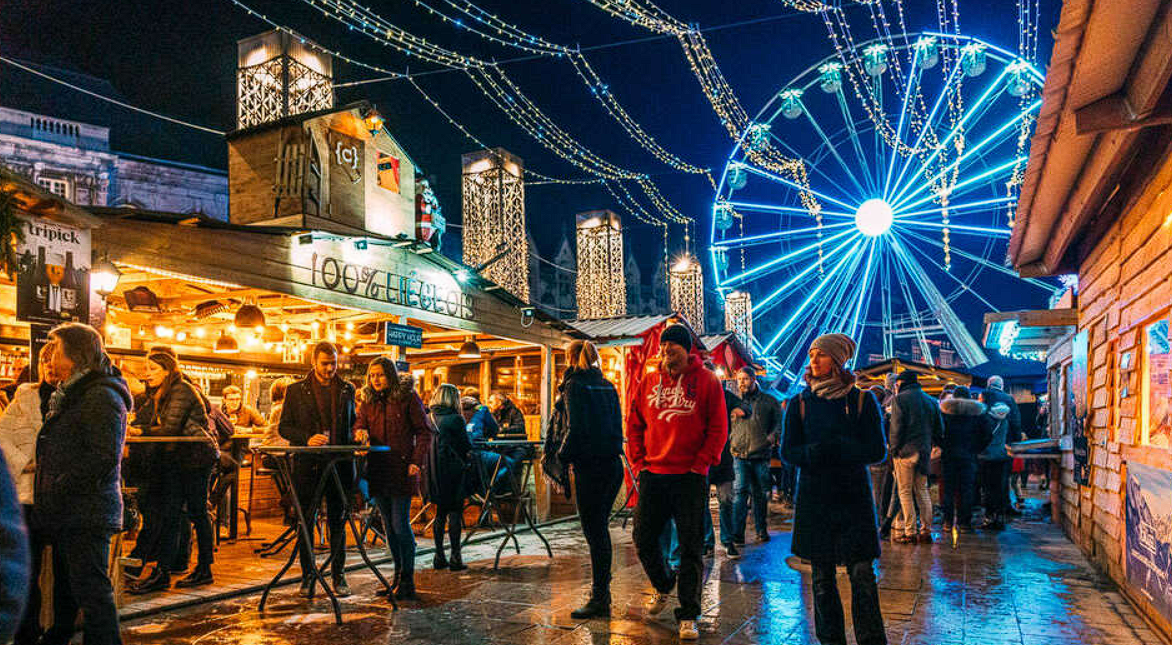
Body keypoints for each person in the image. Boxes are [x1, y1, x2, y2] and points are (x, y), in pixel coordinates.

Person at [781, 333, 887, 645]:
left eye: (821, 355)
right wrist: (813, 453)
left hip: (853, 500)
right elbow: (788, 451)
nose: (813, 360)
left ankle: (871, 639)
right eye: (812, 355)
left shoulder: (862, 401)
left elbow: (877, 450)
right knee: (822, 580)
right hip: (816, 500)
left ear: (838, 361)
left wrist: (843, 448)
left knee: (862, 576)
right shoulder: (800, 403)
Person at [627, 324, 727, 641]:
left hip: (689, 477)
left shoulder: (708, 381)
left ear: (688, 350)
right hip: (654, 474)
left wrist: (701, 464)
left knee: (690, 547)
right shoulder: (648, 381)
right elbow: (634, 424)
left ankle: (688, 614)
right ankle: (663, 583)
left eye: (674, 345)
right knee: (643, 537)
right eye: (664, 345)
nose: (667, 350)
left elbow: (718, 427)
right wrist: (639, 461)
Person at [35, 323, 131, 645]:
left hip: (87, 508)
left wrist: (62, 482)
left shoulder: (101, 395)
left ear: (76, 356)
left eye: (56, 350)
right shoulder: (71, 393)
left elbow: (104, 456)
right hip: (70, 507)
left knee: (92, 590)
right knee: (68, 586)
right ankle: (57, 637)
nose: (49, 357)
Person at [543, 340, 625, 618]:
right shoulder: (608, 385)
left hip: (590, 467)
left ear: (569, 358)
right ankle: (602, 592)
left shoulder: (574, 386)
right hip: (613, 465)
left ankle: (600, 596)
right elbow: (616, 426)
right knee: (599, 529)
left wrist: (561, 457)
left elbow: (575, 428)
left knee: (595, 532)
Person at [128, 346, 219, 593]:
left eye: (153, 369)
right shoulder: (162, 392)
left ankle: (204, 569)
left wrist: (140, 431)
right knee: (170, 513)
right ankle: (163, 573)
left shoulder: (182, 390)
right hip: (179, 458)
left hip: (197, 457)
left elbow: (170, 428)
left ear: (167, 371)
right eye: (146, 369)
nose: (147, 374)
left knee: (197, 513)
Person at [279, 342, 358, 597]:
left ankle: (339, 576)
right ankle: (307, 576)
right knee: (306, 521)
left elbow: (353, 423)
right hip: (308, 465)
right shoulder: (295, 391)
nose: (330, 369)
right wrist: (306, 438)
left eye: (333, 363)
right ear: (313, 362)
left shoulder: (347, 389)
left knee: (338, 520)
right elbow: (284, 427)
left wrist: (358, 435)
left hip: (339, 463)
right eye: (325, 363)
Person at [354, 356, 432, 600]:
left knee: (400, 525)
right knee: (388, 527)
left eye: (381, 374)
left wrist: (415, 462)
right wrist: (359, 434)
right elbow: (358, 425)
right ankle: (397, 577)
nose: (376, 379)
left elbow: (424, 431)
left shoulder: (407, 397)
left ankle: (408, 580)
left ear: (390, 375)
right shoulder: (367, 402)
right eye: (373, 375)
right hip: (377, 469)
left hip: (401, 468)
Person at [0, 344, 55, 645]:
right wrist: (26, 463)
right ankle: (27, 632)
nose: (48, 365)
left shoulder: (77, 399)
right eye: (44, 359)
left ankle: (57, 630)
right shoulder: (25, 394)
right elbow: (3, 435)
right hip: (28, 493)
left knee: (64, 573)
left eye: (54, 358)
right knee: (28, 566)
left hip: (59, 497)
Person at [888, 370, 943, 544]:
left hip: (905, 452)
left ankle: (909, 531)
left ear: (901, 382)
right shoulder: (931, 400)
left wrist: (893, 450)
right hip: (924, 452)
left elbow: (896, 428)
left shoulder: (899, 400)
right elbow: (939, 429)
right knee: (922, 490)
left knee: (904, 491)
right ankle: (926, 530)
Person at [731, 366, 783, 546]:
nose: (741, 383)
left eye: (744, 379)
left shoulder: (769, 401)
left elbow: (778, 422)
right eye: (739, 379)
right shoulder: (734, 401)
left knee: (760, 494)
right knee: (740, 494)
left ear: (754, 379)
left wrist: (771, 438)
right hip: (739, 455)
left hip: (760, 454)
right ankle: (737, 534)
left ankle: (761, 529)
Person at [706, 362, 750, 559]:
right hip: (702, 458)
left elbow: (745, 408)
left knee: (726, 501)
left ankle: (727, 540)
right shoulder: (695, 396)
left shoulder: (725, 396)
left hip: (722, 456)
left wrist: (740, 410)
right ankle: (707, 541)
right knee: (700, 503)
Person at [426, 384, 471, 572]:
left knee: (440, 513)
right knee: (454, 512)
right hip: (452, 470)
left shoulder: (428, 417)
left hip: (433, 469)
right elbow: (466, 446)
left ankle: (438, 556)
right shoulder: (456, 419)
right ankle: (455, 557)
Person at [937, 387, 992, 533]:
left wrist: (944, 445)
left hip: (948, 455)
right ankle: (964, 523)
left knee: (948, 489)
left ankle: (948, 521)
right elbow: (987, 435)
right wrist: (976, 449)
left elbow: (936, 432)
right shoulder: (978, 413)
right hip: (969, 456)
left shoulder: (944, 412)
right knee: (967, 489)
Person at [980, 376, 1023, 519]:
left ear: (989, 384)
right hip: (1005, 445)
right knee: (1003, 479)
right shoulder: (1009, 399)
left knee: (987, 482)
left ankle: (990, 512)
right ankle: (1004, 507)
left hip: (986, 446)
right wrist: (1016, 439)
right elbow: (1016, 421)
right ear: (1002, 385)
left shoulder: (983, 397)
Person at [977, 379, 1015, 531]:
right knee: (999, 488)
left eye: (980, 398)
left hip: (986, 457)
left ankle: (989, 517)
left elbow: (981, 437)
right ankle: (1000, 518)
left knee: (987, 489)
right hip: (1001, 456)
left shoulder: (984, 418)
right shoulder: (1003, 418)